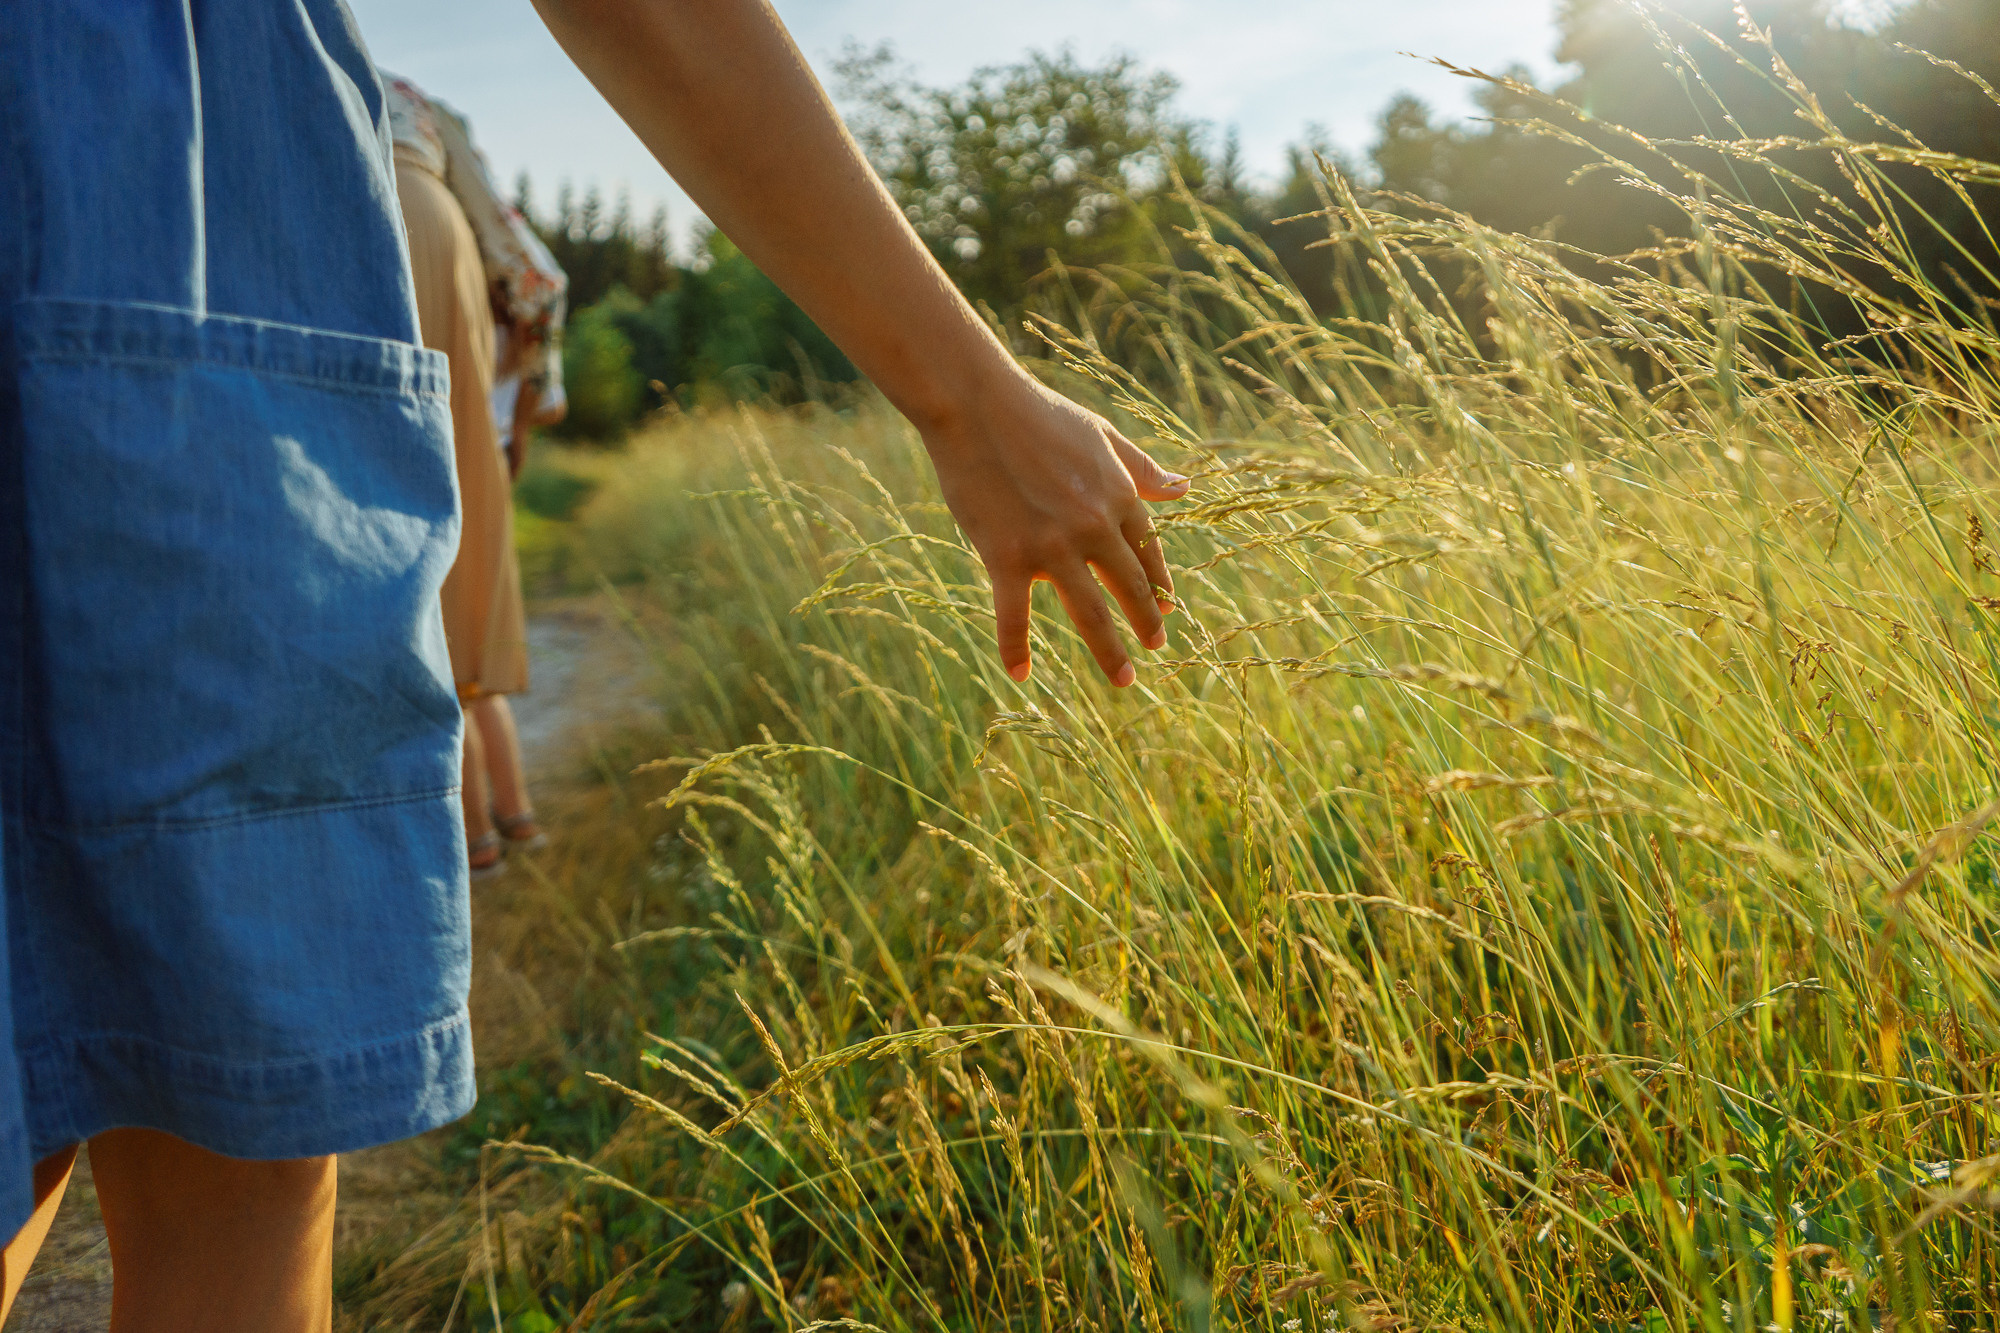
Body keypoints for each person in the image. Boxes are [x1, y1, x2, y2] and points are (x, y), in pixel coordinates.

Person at [0, 1, 1186, 1327]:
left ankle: (491, 811)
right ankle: (494, 813)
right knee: (235, 1143)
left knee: (218, 1115)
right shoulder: (424, 146)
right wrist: (967, 390)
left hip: (198, 262)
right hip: (187, 210)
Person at [382, 74, 549, 878]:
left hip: (360, 223)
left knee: (397, 557)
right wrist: (525, 404)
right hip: (433, 234)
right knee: (462, 562)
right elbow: (530, 272)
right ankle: (508, 823)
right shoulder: (416, 99)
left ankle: (476, 838)